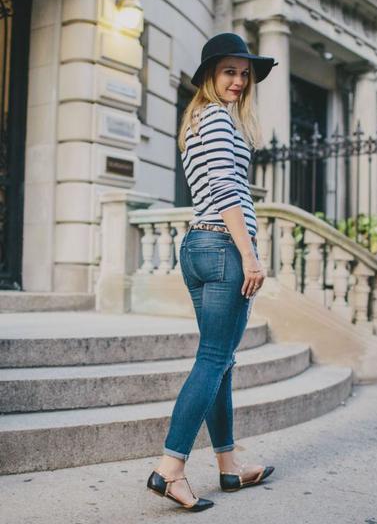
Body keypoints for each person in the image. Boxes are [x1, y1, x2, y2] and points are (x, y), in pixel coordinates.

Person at [146, 32, 278, 512]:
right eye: (230, 72)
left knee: (220, 359)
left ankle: (227, 466)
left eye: (244, 74)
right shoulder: (218, 119)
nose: (239, 82)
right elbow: (225, 189)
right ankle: (169, 468)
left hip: (197, 246)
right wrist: (249, 254)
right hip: (223, 247)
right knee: (214, 358)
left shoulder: (195, 121)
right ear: (209, 75)